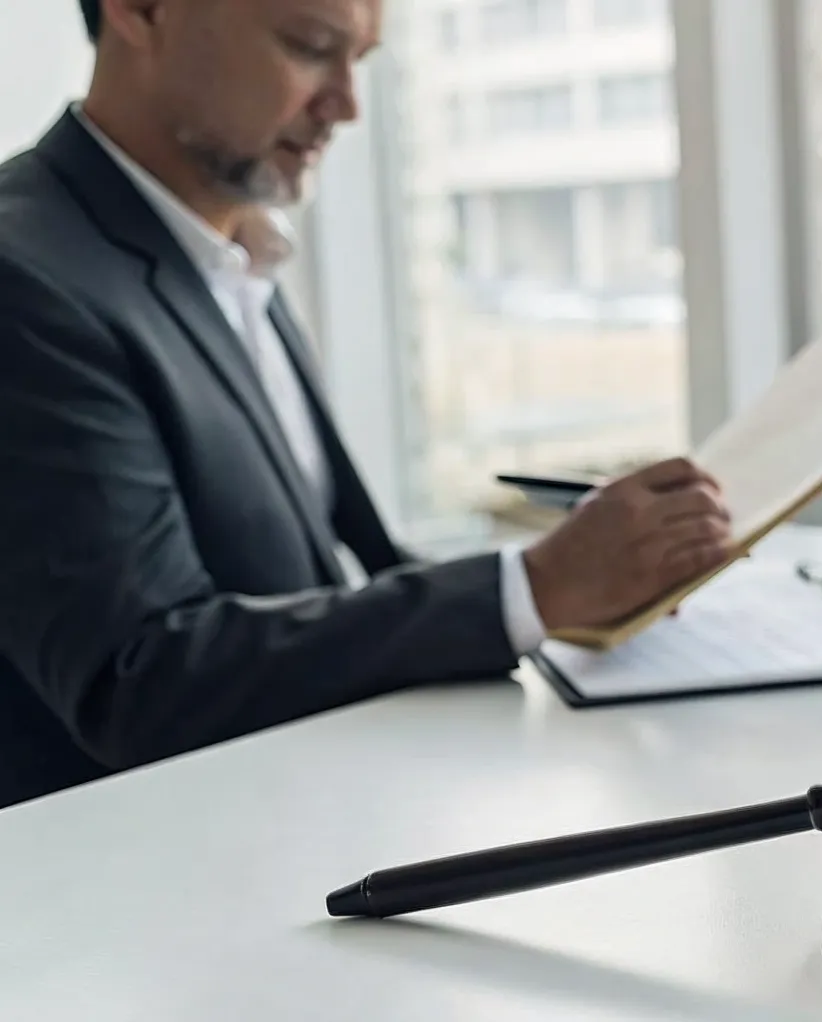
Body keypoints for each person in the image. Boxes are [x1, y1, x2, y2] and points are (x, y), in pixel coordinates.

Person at [0, 0, 732, 809]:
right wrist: (531, 588)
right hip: (142, 890)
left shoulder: (230, 256)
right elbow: (138, 677)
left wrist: (586, 587)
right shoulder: (24, 278)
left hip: (299, 822)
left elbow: (312, 577)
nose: (346, 104)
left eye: (361, 59)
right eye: (310, 48)